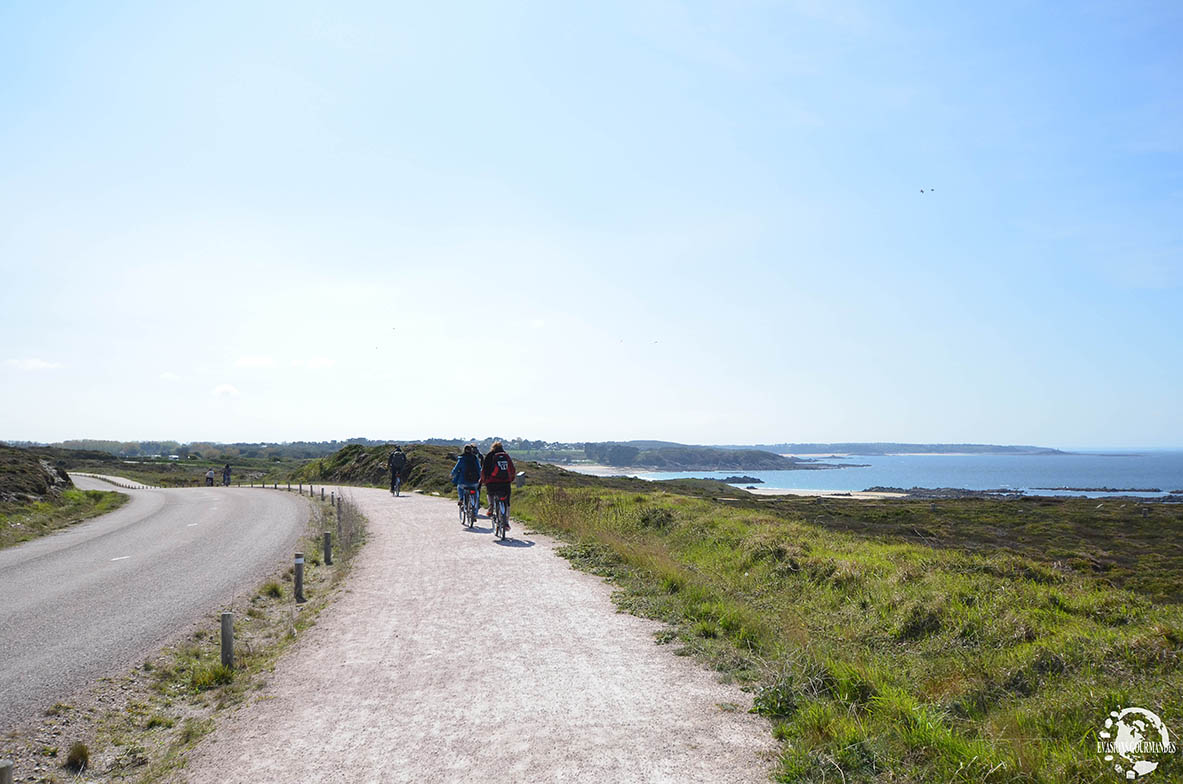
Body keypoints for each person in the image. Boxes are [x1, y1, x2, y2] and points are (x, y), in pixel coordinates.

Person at [481, 441, 516, 529]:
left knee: (490, 493)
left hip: (492, 483)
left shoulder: (490, 455)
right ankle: (506, 522)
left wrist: (484, 481)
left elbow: (484, 470)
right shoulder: (506, 456)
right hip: (505, 483)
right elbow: (512, 470)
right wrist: (510, 480)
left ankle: (491, 507)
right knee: (507, 503)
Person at [450, 444, 483, 521]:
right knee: (476, 494)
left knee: (459, 487)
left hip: (463, 482)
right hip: (474, 482)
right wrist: (481, 478)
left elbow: (456, 469)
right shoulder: (475, 458)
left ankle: (461, 499)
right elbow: (479, 469)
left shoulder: (461, 459)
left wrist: (452, 474)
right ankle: (474, 513)